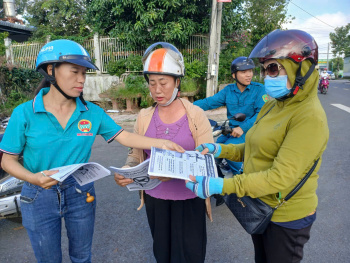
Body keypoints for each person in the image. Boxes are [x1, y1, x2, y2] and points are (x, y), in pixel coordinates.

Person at [0, 39, 184, 263]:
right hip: (38, 195)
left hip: (80, 192)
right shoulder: (24, 113)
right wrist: (33, 178)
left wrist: (159, 143)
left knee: (82, 257)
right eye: (75, 72)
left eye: (84, 73)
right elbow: (7, 161)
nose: (82, 80)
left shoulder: (91, 112)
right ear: (51, 70)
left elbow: (123, 136)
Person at [186, 29, 329, 263]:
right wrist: (218, 149)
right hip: (261, 206)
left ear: (301, 68)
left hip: (285, 215)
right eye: (264, 70)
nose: (265, 77)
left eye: (272, 68)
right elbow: (253, 147)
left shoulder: (309, 117)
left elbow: (279, 178)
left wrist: (220, 185)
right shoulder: (275, 105)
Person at [114, 42, 213, 263]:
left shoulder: (196, 115)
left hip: (189, 198)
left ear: (177, 81)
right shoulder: (144, 116)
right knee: (163, 254)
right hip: (155, 199)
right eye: (152, 83)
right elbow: (135, 153)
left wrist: (175, 173)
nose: (157, 90)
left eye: (163, 82)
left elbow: (207, 161)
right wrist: (127, 169)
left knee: (191, 255)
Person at [193, 57, 267, 175]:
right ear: (234, 75)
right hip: (231, 131)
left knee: (227, 150)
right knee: (210, 150)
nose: (249, 75)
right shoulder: (228, 91)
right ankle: (215, 183)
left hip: (250, 131)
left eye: (250, 71)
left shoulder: (259, 90)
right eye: (243, 72)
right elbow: (208, 103)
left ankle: (244, 179)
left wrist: (242, 128)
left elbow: (261, 114)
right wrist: (186, 106)